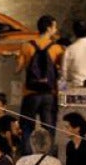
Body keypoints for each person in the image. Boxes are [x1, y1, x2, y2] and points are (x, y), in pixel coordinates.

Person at [17, 15, 63, 147]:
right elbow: (61, 70)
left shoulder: (26, 46)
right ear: (49, 28)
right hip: (49, 93)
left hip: (30, 93)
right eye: (54, 26)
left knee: (26, 127)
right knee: (48, 128)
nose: (56, 29)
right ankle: (46, 156)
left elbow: (18, 69)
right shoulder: (57, 48)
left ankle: (27, 156)